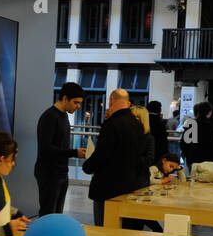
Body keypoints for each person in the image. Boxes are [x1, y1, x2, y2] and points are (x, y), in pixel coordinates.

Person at [83, 88, 148, 228]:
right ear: (128, 103)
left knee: (105, 230)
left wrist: (87, 167)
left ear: (111, 100)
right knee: (125, 233)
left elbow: (102, 154)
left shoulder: (112, 124)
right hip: (130, 186)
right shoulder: (138, 125)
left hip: (107, 188)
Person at [34, 82, 87, 216]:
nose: (78, 106)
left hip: (61, 172)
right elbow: (46, 149)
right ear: (64, 99)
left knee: (57, 215)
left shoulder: (63, 116)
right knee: (48, 214)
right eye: (75, 102)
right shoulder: (49, 117)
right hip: (49, 173)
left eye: (79, 103)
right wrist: (74, 152)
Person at [179, 100, 213, 169]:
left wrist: (187, 155)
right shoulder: (210, 126)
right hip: (207, 160)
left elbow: (183, 143)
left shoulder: (191, 124)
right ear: (209, 112)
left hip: (192, 158)